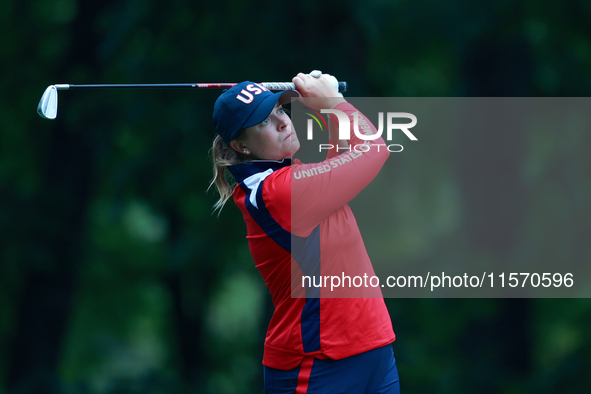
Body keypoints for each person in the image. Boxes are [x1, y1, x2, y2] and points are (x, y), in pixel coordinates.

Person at [210, 72, 399, 393]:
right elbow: (373, 150)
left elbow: (344, 158)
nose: (283, 122)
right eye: (263, 123)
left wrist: (331, 109)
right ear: (240, 146)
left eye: (280, 112)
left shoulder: (291, 178)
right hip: (316, 364)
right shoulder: (276, 192)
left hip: (373, 349)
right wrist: (333, 103)